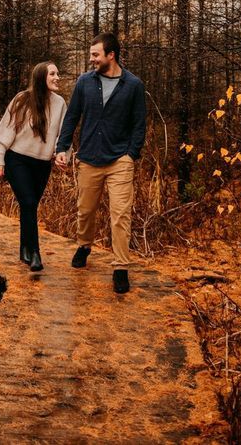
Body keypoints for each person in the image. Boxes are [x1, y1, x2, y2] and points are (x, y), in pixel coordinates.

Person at [55, 33, 146, 294]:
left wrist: (131, 154)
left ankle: (120, 267)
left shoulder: (133, 85)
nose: (91, 58)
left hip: (120, 160)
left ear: (111, 55)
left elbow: (139, 124)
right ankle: (84, 245)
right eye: (91, 54)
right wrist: (63, 148)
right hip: (89, 158)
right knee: (85, 210)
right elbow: (72, 117)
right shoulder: (85, 82)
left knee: (120, 214)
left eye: (95, 54)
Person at [0, 61, 66, 272]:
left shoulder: (60, 103)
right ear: (41, 76)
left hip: (42, 165)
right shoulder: (22, 99)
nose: (57, 77)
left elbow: (63, 134)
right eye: (53, 73)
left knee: (29, 206)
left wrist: (62, 153)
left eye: (58, 73)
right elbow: (6, 130)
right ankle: (35, 253)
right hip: (17, 160)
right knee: (29, 201)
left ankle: (24, 247)